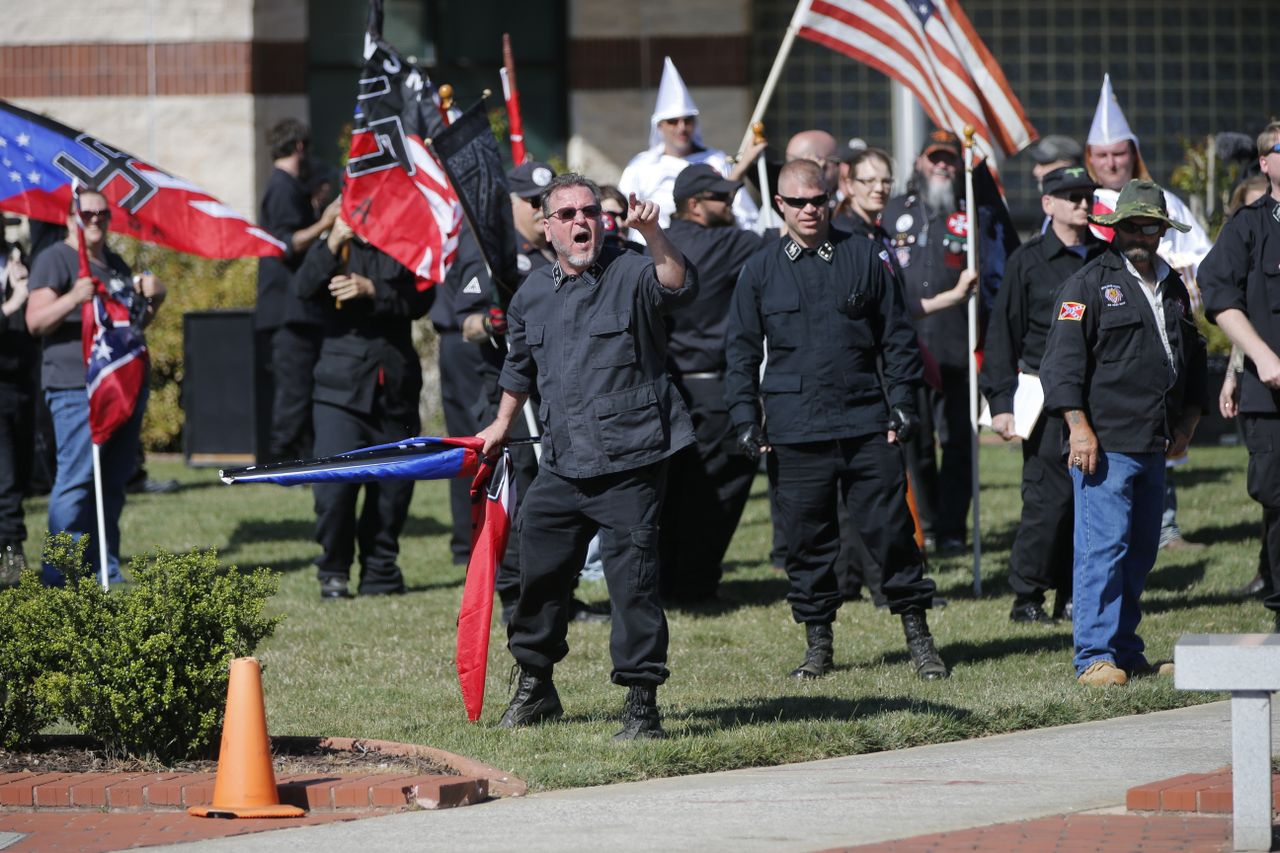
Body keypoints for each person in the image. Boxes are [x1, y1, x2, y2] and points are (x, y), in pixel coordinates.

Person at [477, 174, 698, 740]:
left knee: (633, 586)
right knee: (536, 573)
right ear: (547, 227)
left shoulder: (631, 270)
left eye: (590, 213)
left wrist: (652, 233)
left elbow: (677, 284)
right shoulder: (531, 295)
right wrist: (501, 423)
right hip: (562, 462)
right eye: (568, 215)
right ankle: (535, 685)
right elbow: (519, 368)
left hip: (632, 461)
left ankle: (642, 706)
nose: (582, 223)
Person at [725, 159, 948, 681]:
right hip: (794, 426)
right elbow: (739, 350)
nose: (809, 210)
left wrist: (903, 405)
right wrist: (743, 417)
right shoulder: (759, 269)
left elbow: (897, 337)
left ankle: (919, 637)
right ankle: (818, 644)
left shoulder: (865, 255)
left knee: (892, 531)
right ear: (779, 204)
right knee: (807, 541)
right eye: (797, 202)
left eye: (817, 200)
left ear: (832, 198)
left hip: (865, 419)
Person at [1040, 179, 1207, 686]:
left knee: (1140, 550)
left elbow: (1194, 355)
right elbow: (1062, 363)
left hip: (1155, 438)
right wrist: (1078, 428)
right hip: (1104, 442)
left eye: (1149, 225)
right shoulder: (1087, 284)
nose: (1140, 232)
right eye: (1130, 224)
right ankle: (1093, 655)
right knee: (1102, 548)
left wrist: (1189, 420)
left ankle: (1126, 651)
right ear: (1114, 228)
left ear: (1161, 229)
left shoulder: (1174, 284)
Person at [456, 161, 609, 625]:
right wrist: (493, 321)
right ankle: (512, 595)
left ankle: (560, 592)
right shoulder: (489, 252)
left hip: (551, 392)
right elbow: (462, 324)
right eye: (528, 202)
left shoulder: (552, 254)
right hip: (505, 393)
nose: (535, 209)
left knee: (555, 496)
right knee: (519, 495)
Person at [1084, 77, 1213, 552]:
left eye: (1119, 153)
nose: (1110, 162)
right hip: (1106, 342)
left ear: (1131, 153)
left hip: (1159, 332)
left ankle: (1164, 525)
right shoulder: (1083, 205)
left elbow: (1200, 257)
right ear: (1090, 158)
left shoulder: (1165, 202)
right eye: (1101, 155)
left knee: (1161, 427)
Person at [981, 166, 1107, 624]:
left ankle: (1074, 595)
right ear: (1047, 203)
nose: (1081, 203)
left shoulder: (1104, 258)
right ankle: (1028, 596)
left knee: (1090, 503)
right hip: (1044, 398)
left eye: (1086, 195)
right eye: (1070, 195)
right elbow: (1002, 336)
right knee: (1046, 502)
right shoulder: (1027, 261)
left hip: (1096, 397)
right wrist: (1000, 403)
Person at [26, 190, 166, 585]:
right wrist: (74, 295)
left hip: (121, 387)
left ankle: (104, 569)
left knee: (112, 484)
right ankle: (59, 578)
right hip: (76, 388)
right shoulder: (55, 258)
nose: (96, 220)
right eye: (87, 213)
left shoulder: (115, 264)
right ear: (72, 215)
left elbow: (127, 330)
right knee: (76, 483)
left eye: (103, 214)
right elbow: (35, 321)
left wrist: (155, 301)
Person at [292, 214, 430, 600]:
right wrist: (332, 240)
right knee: (334, 490)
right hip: (341, 388)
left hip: (395, 385)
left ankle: (381, 570)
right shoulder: (335, 245)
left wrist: (373, 289)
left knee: (393, 490)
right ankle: (333, 569)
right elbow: (301, 289)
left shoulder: (408, 243)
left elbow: (422, 297)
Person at [659, 164, 769, 605]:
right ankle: (695, 584)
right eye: (722, 198)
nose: (732, 205)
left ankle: (669, 581)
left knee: (673, 494)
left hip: (666, 389)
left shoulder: (658, 242)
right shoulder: (728, 243)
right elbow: (779, 240)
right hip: (711, 392)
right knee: (716, 493)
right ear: (695, 205)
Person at [881, 130, 987, 554]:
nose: (942, 166)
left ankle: (953, 530)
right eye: (934, 158)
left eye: (949, 159)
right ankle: (924, 524)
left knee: (960, 442)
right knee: (916, 443)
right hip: (909, 347)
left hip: (957, 347)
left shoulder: (971, 215)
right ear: (920, 163)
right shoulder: (892, 213)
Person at [1200, 121, 1280, 629]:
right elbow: (1219, 294)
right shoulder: (1249, 226)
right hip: (1270, 396)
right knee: (1278, 498)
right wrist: (1260, 357)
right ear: (1266, 163)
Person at [254, 119, 341, 463]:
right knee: (294, 392)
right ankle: (283, 461)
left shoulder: (288, 188)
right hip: (288, 313)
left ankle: (300, 457)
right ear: (300, 146)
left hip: (297, 311)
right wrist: (325, 222)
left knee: (302, 389)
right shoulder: (282, 187)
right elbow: (285, 242)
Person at [617, 57, 760, 232]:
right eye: (673, 121)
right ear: (660, 125)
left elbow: (744, 215)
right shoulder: (641, 166)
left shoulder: (716, 160)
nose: (682, 128)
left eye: (688, 120)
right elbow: (624, 217)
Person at [0, 244, 33, 584]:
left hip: (22, 380)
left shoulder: (18, 261)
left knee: (21, 473)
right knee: (6, 476)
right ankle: (12, 553)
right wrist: (11, 303)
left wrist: (25, 283)